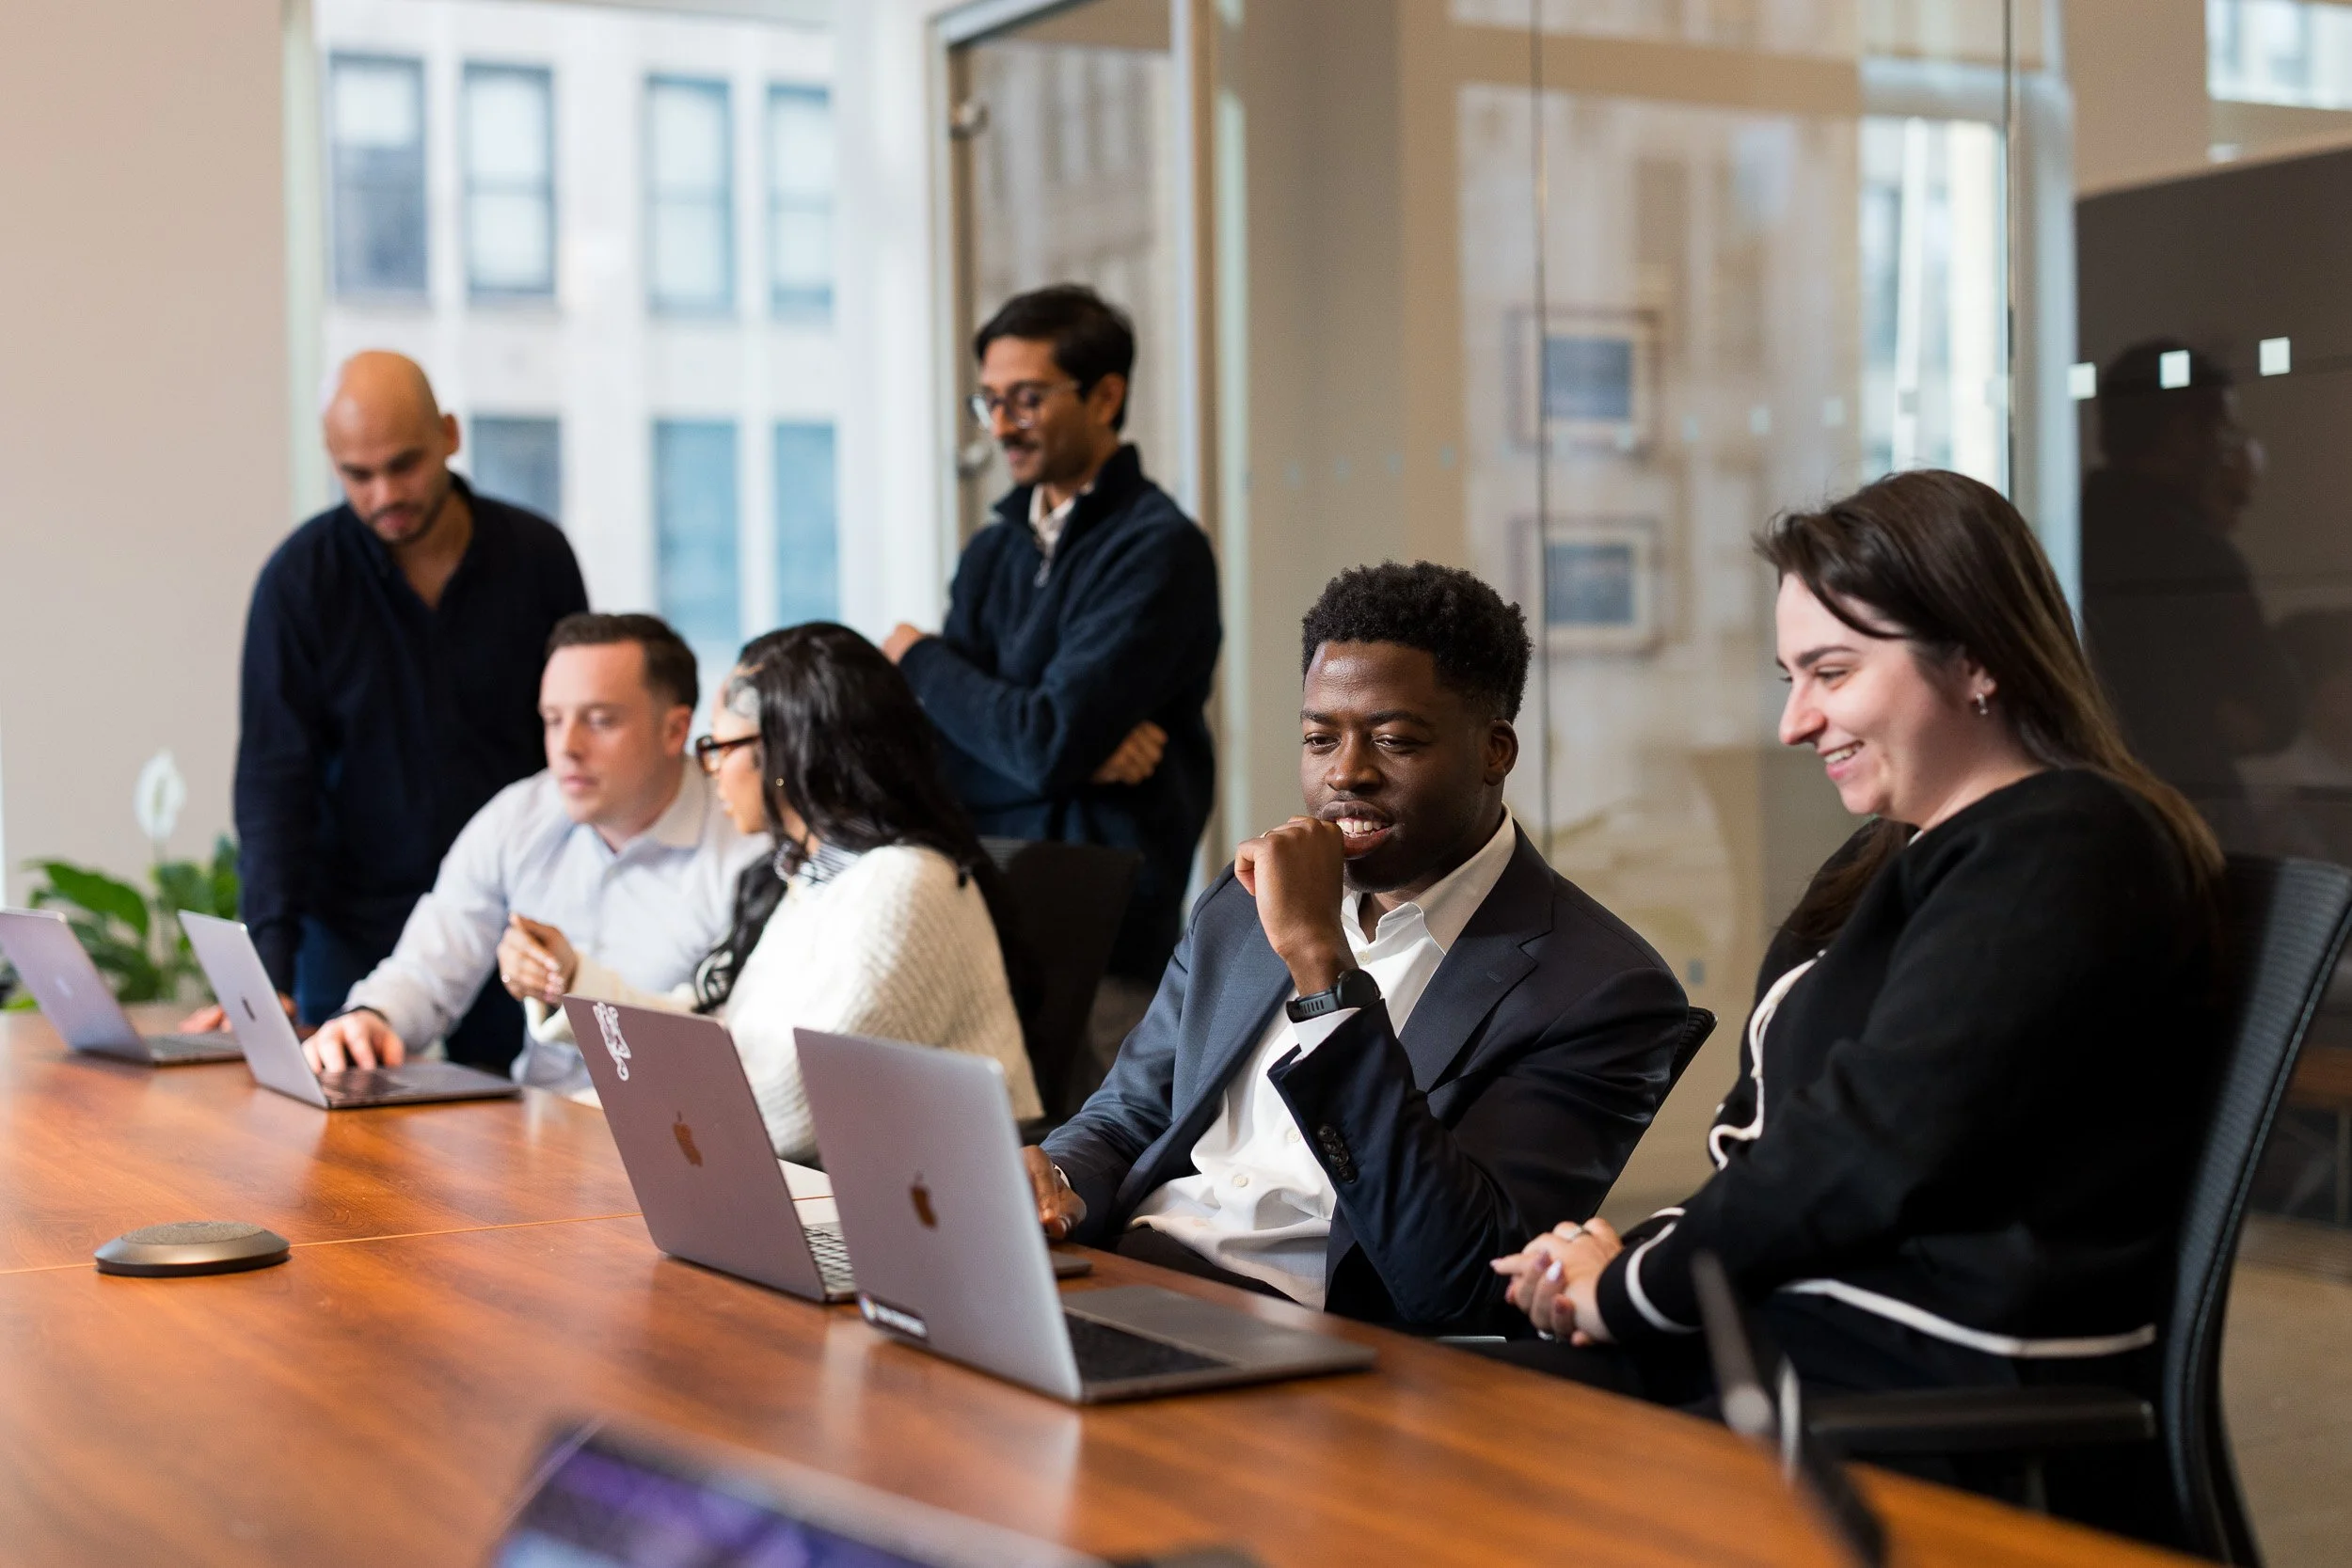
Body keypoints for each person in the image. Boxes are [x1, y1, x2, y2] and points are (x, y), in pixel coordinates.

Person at [1489, 470, 2222, 1541]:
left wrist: (1628, 1284)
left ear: (1977, 658)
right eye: (1789, 675)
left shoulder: (2063, 843)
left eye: (1830, 671)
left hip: (1915, 1378)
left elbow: (1866, 1145)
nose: (1795, 721)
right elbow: (1783, 1145)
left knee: (1470, 1450)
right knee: (1445, 1405)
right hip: (1817, 1335)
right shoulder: (1899, 855)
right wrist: (1617, 1258)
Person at [1022, 562, 1690, 1332]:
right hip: (1121, 1271)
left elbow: (1458, 1275)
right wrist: (1057, 1176)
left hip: (1302, 1336)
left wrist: (1320, 966)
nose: (1346, 773)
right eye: (1318, 738)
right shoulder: (1241, 904)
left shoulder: (1601, 988)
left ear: (1494, 752)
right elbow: (1127, 1114)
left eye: (1395, 740)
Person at [497, 623, 1041, 1161]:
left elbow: (796, 1110)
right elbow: (716, 1043)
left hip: (924, 1221)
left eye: (718, 747)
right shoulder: (814, 878)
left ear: (787, 751)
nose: (710, 772)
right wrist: (568, 978)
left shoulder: (906, 884)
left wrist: (579, 1118)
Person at [882, 285, 1220, 1094]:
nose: (1001, 425)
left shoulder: (1159, 550)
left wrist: (922, 660)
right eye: (989, 401)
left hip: (1106, 935)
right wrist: (1065, 753)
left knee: (1097, 1181)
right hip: (985, 918)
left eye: (1026, 399)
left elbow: (1039, 741)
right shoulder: (994, 552)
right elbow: (933, 754)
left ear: (1107, 395)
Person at [222, 350, 588, 1065]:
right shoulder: (300, 582)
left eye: (405, 464)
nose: (385, 492)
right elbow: (274, 779)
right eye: (359, 474)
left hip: (511, 912)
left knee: (526, 1135)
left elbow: (575, 736)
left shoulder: (536, 557)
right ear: (333, 462)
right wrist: (269, 961)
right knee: (341, 1147)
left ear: (450, 434)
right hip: (348, 919)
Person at [292, 614, 766, 1094]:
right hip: (535, 1127)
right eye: (553, 720)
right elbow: (431, 963)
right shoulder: (520, 815)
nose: (567, 747)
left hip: (673, 1139)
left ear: (675, 730)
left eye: (599, 721)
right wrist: (375, 1016)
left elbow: (740, 1055)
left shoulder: (749, 851)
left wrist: (576, 982)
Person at [2080, 339, 2299, 847]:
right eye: (2224, 429)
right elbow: (2275, 707)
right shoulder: (2193, 553)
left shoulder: (2066, 535)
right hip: (2186, 819)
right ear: (2184, 434)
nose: (2235, 451)